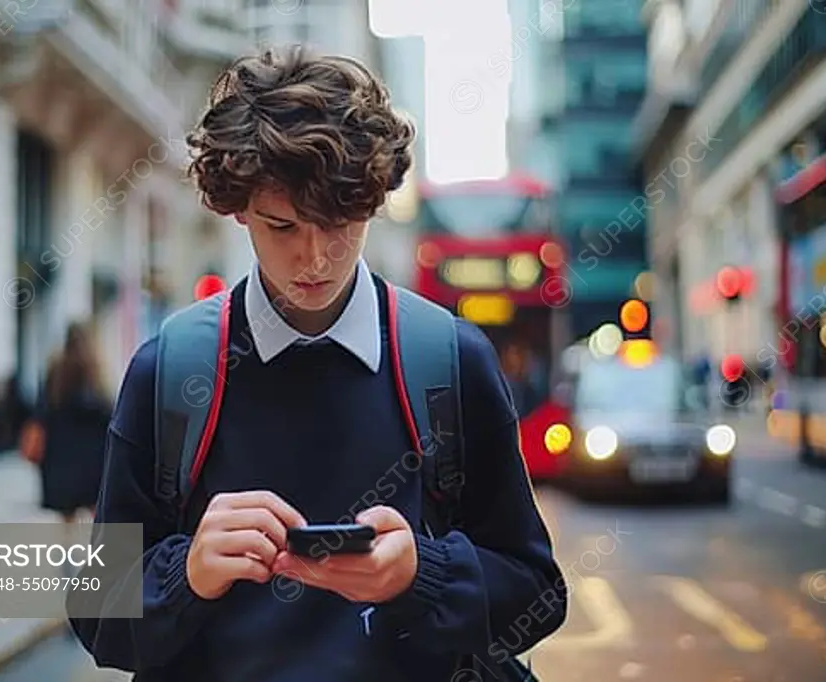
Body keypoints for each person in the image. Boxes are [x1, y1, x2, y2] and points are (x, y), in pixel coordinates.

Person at [69, 46, 566, 681]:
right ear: (239, 207)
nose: (316, 259)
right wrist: (187, 573)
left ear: (375, 202)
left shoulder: (452, 359)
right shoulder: (168, 368)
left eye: (341, 224)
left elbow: (540, 594)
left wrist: (422, 574)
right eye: (283, 227)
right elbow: (98, 617)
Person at [25, 322, 112, 524]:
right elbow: (107, 409)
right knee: (96, 508)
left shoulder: (55, 367)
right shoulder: (95, 367)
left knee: (66, 514)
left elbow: (43, 407)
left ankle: (68, 552)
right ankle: (98, 548)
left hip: (60, 451)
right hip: (91, 453)